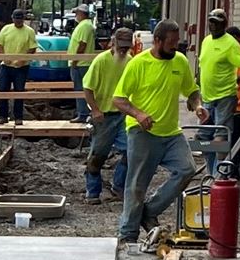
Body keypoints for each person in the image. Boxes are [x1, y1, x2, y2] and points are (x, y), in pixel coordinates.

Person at [116, 20, 200, 243]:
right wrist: (139, 114)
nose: (175, 47)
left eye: (177, 43)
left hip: (171, 132)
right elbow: (119, 99)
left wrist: (198, 105)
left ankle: (149, 211)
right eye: (171, 43)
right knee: (137, 184)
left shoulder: (180, 62)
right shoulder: (139, 64)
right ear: (157, 41)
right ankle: (128, 233)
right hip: (142, 132)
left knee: (187, 169)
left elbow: (191, 91)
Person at [81, 25, 135, 203]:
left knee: (131, 151)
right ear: (113, 43)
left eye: (126, 47)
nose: (123, 50)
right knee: (98, 155)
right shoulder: (101, 61)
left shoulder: (130, 61)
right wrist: (95, 109)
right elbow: (87, 88)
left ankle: (118, 186)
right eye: (121, 47)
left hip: (123, 115)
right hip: (104, 116)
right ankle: (93, 191)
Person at [196, 10, 240, 160]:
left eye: (217, 22)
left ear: (224, 24)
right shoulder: (206, 41)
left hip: (225, 96)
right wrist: (195, 91)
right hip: (207, 96)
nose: (213, 25)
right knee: (203, 137)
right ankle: (211, 171)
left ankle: (220, 174)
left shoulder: (231, 43)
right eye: (211, 22)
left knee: (220, 134)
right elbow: (203, 65)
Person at [0, 8, 39, 123]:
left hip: (21, 67)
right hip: (6, 66)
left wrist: (23, 60)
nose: (18, 21)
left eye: (20, 19)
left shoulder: (29, 31)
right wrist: (4, 57)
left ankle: (18, 117)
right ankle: (2, 116)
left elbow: (32, 48)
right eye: (16, 19)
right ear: (12, 18)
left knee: (19, 91)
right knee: (3, 90)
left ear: (23, 19)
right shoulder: (6, 29)